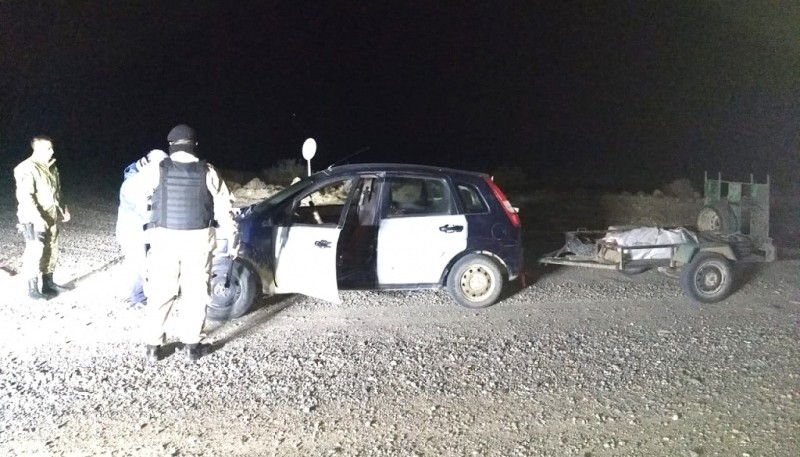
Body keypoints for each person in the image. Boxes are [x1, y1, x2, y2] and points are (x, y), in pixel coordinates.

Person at [139, 124, 237, 362]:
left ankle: (153, 346)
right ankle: (192, 345)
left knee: (161, 291)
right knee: (195, 292)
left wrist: (145, 233)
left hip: (164, 238)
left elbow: (140, 202)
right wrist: (233, 237)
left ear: (171, 145)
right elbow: (225, 208)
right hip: (199, 239)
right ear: (194, 145)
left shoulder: (156, 169)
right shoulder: (208, 170)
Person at [14, 135, 71, 300]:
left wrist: (63, 208)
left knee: (51, 248)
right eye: (48, 148)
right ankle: (33, 290)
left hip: (50, 215)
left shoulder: (51, 167)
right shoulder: (26, 168)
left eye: (52, 148)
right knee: (35, 250)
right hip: (33, 217)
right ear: (37, 150)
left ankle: (48, 284)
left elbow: (57, 190)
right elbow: (25, 197)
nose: (52, 151)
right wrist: (37, 218)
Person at [115, 149, 168, 309]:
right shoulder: (135, 184)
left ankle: (136, 292)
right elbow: (145, 211)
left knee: (140, 262)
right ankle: (137, 298)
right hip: (132, 231)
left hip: (141, 230)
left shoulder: (144, 178)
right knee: (138, 263)